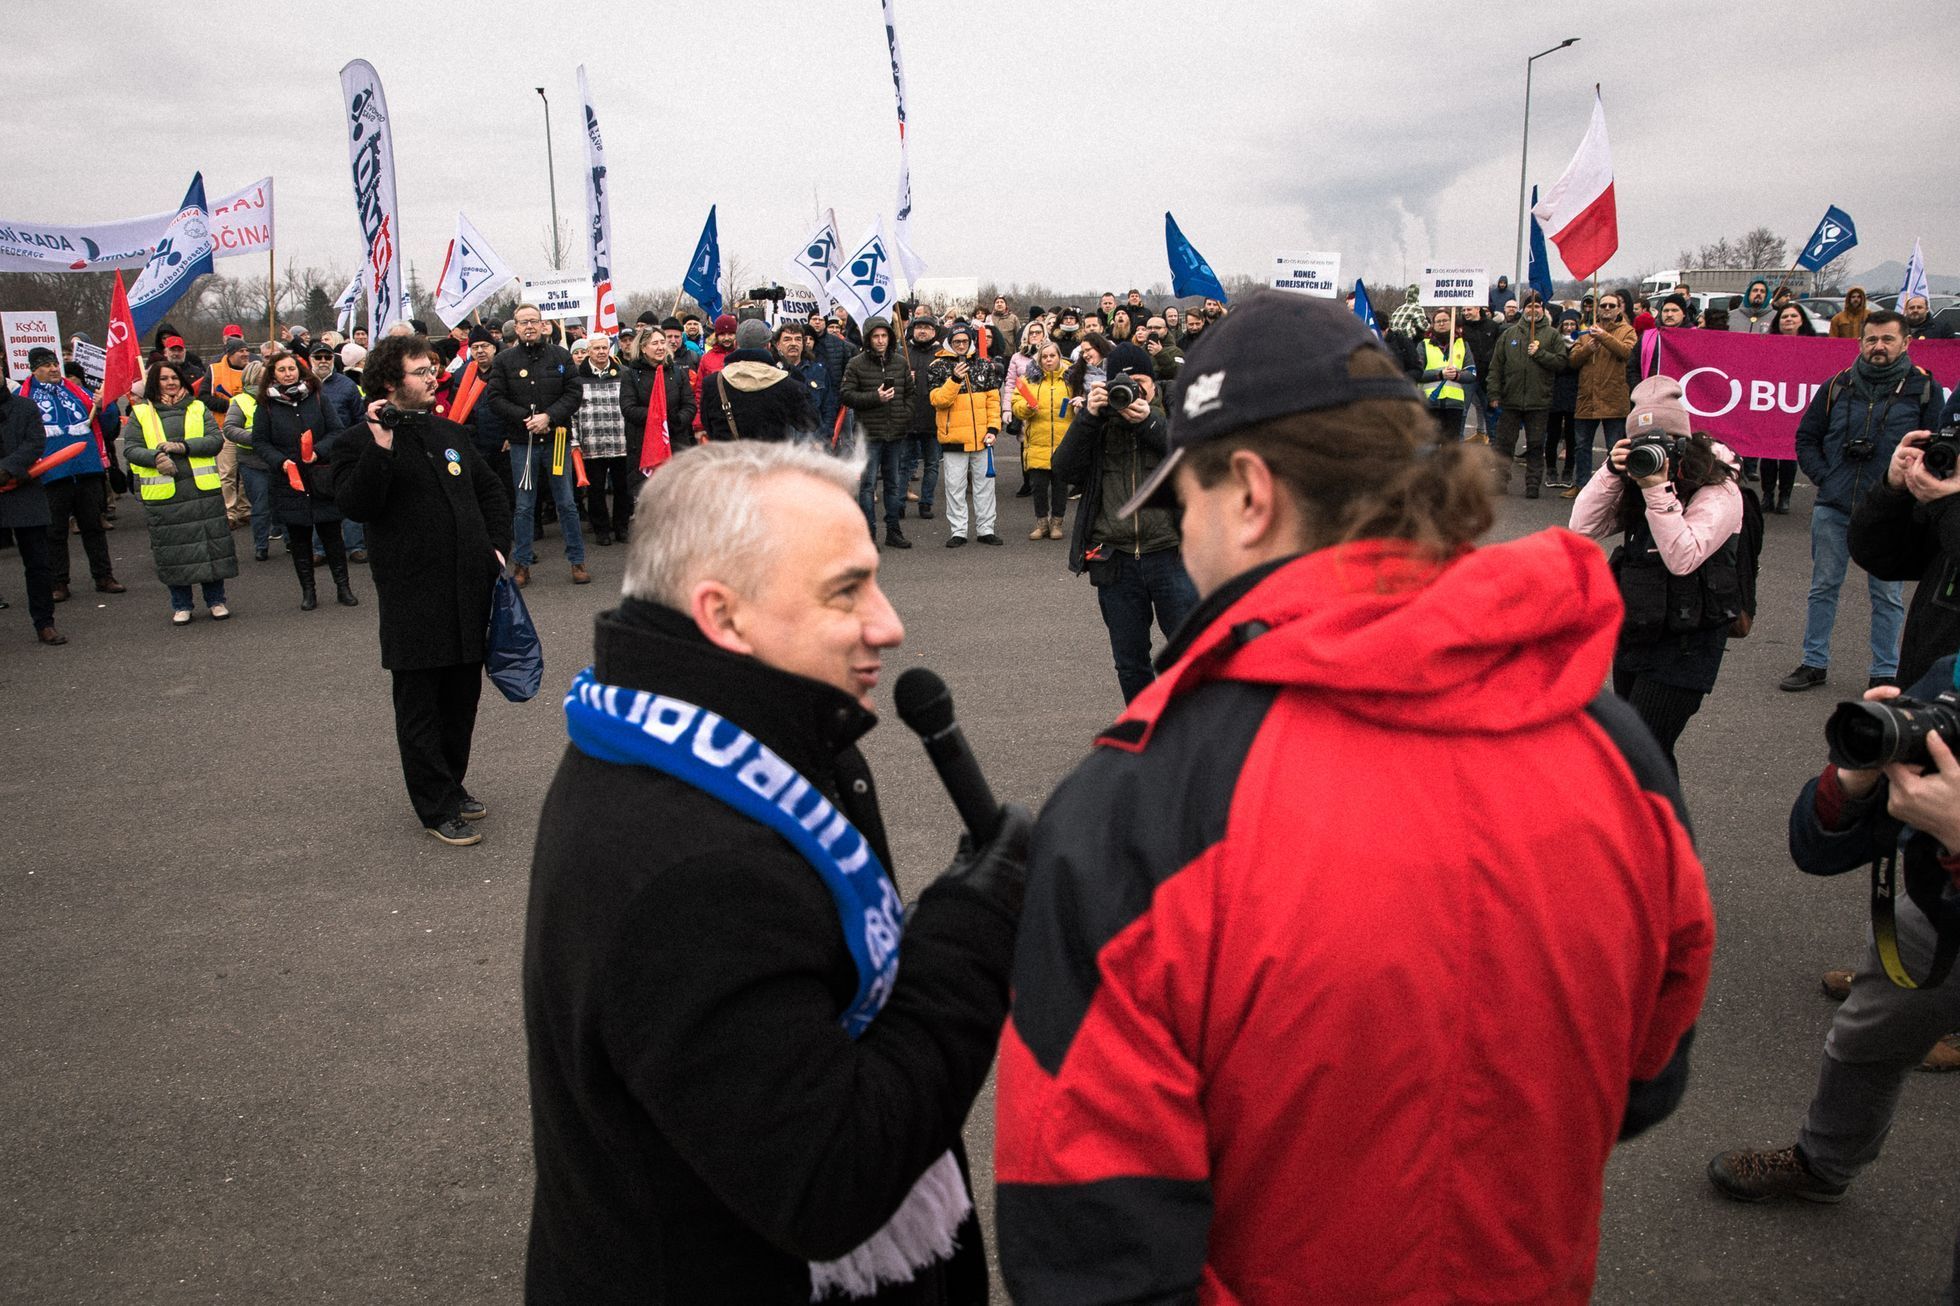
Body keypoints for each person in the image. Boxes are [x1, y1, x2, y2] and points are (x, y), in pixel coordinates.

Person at [994, 291, 1713, 1305]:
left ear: (1247, 492)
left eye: (1182, 501)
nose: (1181, 533)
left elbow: (1083, 1236)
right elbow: (1649, 1071)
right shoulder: (1614, 744)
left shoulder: (1142, 798)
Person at [522, 439, 1027, 1304]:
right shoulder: (693, 861)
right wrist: (976, 934)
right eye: (846, 591)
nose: (889, 622)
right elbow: (827, 1176)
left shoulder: (676, 738)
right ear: (723, 616)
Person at [1709, 653, 1960, 1211]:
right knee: (1866, 1039)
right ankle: (1822, 1165)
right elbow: (1816, 849)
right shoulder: (1953, 675)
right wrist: (1857, 774)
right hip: (1939, 910)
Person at [331, 333, 512, 847]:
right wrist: (381, 445)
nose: (433, 376)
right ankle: (434, 806)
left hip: (467, 591)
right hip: (414, 600)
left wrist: (497, 548)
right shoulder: (358, 442)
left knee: (461, 700)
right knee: (421, 707)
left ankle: (452, 786)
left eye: (432, 369)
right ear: (390, 383)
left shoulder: (448, 432)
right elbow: (357, 503)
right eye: (420, 371)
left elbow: (490, 490)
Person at [1570, 378, 1745, 771]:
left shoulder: (1718, 487)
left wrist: (1657, 491)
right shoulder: (1633, 478)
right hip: (1639, 628)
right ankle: (1651, 831)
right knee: (1639, 755)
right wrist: (1611, 471)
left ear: (1684, 442)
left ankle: (1662, 831)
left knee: (1643, 754)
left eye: (1662, 442)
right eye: (1641, 445)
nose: (1652, 454)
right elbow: (1581, 527)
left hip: (1687, 641)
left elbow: (1683, 557)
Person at [1784, 311, 1944, 692]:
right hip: (1834, 506)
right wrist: (1827, 479)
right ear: (1860, 343)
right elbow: (1806, 438)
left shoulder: (1923, 389)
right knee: (1823, 587)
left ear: (1905, 343)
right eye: (1871, 340)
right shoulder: (1837, 385)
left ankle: (1885, 671)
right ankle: (1813, 662)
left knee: (1887, 596)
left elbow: (1937, 447)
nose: (1878, 347)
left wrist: (1910, 489)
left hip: (1892, 510)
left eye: (1888, 340)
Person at [1053, 342, 1197, 702]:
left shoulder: (1174, 412)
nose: (1132, 391)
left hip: (1171, 554)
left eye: (1141, 382)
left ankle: (1187, 729)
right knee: (1130, 661)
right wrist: (1088, 416)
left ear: (1154, 383)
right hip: (1115, 559)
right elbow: (1064, 469)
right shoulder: (1099, 422)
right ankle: (1145, 728)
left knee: (1189, 654)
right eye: (1124, 383)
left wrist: (1148, 421)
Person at [121, 360, 238, 624]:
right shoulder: (141, 412)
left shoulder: (198, 407)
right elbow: (130, 449)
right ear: (154, 383)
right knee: (173, 553)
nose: (171, 382)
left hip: (201, 492)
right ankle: (181, 604)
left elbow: (214, 440)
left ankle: (216, 601)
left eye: (174, 377)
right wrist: (155, 458)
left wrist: (183, 447)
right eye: (163, 379)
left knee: (211, 547)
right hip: (164, 496)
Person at [488, 304, 585, 588]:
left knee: (566, 502)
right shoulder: (504, 360)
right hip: (524, 443)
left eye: (534, 321)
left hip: (556, 440)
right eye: (523, 322)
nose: (529, 326)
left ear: (544, 326)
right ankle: (522, 565)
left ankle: (577, 561)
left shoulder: (561, 356)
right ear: (515, 328)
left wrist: (549, 417)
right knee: (524, 506)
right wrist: (525, 419)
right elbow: (495, 398)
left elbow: (573, 392)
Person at [253, 352, 358, 610]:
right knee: (300, 540)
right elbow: (259, 441)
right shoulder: (266, 405)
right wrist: (280, 461)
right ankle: (308, 591)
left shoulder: (318, 397)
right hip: (288, 479)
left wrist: (318, 451)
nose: (288, 373)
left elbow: (337, 430)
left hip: (320, 476)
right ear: (273, 374)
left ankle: (343, 587)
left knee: (332, 536)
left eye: (292, 368)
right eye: (282, 370)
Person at [20, 348, 122, 602]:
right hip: (51, 474)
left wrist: (104, 406)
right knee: (54, 532)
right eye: (46, 365)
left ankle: (103, 576)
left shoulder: (76, 391)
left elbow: (108, 425)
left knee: (93, 527)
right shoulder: (24, 397)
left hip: (86, 469)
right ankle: (58, 582)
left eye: (55, 363)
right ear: (34, 370)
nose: (54, 368)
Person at [0, 365, 64, 644]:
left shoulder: (24, 407)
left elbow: (35, 442)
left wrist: (7, 469)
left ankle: (44, 622)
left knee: (38, 563)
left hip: (24, 490)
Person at [841, 315, 915, 549]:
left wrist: (904, 414)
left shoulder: (900, 362)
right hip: (869, 434)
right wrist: (876, 397)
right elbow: (846, 395)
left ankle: (893, 530)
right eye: (876, 336)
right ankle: (868, 534)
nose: (881, 340)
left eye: (884, 335)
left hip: (895, 433)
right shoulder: (856, 363)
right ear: (868, 338)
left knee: (893, 484)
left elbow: (911, 394)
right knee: (868, 485)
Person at [1486, 292, 1569, 498]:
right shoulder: (1509, 334)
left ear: (1543, 310)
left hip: (1538, 401)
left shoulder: (1552, 335)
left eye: (1538, 307)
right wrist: (1494, 393)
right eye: (1530, 307)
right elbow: (1496, 366)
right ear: (1524, 310)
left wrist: (1540, 354)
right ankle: (1500, 481)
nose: (1533, 310)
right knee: (1504, 444)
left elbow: (1561, 362)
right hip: (1511, 399)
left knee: (1535, 445)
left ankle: (1532, 484)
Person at [928, 323, 1004, 547]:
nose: (961, 345)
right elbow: (938, 401)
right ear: (949, 343)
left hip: (982, 438)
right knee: (955, 487)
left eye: (964, 341)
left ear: (971, 342)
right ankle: (959, 531)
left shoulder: (983, 365)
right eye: (956, 342)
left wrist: (993, 429)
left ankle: (986, 529)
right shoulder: (937, 367)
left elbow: (993, 401)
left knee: (985, 487)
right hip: (954, 439)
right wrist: (954, 379)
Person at [1564, 288, 1638, 499]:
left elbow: (1627, 353)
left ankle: (1613, 489)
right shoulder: (1587, 331)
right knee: (1581, 446)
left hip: (1614, 398)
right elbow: (1573, 360)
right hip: (1587, 398)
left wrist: (1605, 338)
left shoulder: (1627, 330)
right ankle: (1582, 486)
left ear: (1618, 309)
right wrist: (1589, 348)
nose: (1606, 309)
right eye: (1603, 305)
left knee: (1614, 447)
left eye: (1611, 306)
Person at [700, 319, 815, 443]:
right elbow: (810, 423)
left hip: (729, 459)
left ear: (736, 344)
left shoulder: (713, 383)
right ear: (768, 346)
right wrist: (796, 375)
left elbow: (708, 425)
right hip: (771, 459)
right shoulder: (787, 383)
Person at [572, 332, 633, 547]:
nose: (600, 352)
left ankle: (621, 526)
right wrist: (575, 440)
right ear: (588, 351)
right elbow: (572, 413)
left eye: (604, 348)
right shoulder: (577, 378)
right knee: (596, 489)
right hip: (592, 442)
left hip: (621, 440)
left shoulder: (624, 373)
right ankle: (601, 529)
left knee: (622, 487)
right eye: (596, 348)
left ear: (610, 349)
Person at [1010, 340, 1072, 540]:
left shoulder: (1071, 380)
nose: (1048, 360)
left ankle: (1057, 523)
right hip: (1037, 441)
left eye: (1052, 356)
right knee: (1038, 487)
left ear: (1059, 356)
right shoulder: (1029, 380)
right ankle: (1041, 523)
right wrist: (1026, 409)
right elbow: (1016, 404)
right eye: (1044, 357)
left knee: (1060, 487)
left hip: (1064, 444)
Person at [1761, 303, 1816, 513]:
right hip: (1769, 402)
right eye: (1785, 316)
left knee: (1787, 453)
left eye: (1794, 316)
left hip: (1796, 404)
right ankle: (1767, 494)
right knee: (1766, 452)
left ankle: (1785, 496)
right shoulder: (1766, 344)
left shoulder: (1813, 346)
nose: (1789, 319)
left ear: (1802, 320)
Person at [222, 359, 278, 561]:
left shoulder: (278, 396)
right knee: (261, 505)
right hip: (253, 461)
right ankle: (261, 545)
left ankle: (289, 541)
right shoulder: (240, 401)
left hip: (277, 459)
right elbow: (230, 429)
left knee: (284, 502)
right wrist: (257, 438)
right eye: (263, 376)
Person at [208, 332, 255, 529]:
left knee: (245, 474)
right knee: (227, 473)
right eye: (241, 351)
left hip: (248, 432)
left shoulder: (253, 370)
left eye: (246, 350)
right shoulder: (214, 370)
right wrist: (229, 406)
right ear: (230, 353)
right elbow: (203, 396)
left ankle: (245, 510)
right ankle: (229, 512)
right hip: (224, 430)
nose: (245, 354)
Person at [901, 315, 942, 520]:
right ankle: (898, 502)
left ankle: (926, 503)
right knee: (904, 464)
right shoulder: (903, 353)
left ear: (934, 332)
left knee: (932, 464)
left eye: (927, 328)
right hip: (907, 418)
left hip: (933, 418)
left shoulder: (941, 355)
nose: (922, 331)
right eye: (919, 328)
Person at [1416, 309, 1471, 442]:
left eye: (1445, 321)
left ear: (1452, 323)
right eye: (1438, 321)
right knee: (1430, 444)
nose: (1441, 324)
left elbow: (1472, 373)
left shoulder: (1462, 345)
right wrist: (1440, 374)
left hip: (1454, 404)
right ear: (1433, 324)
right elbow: (1417, 373)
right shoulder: (1423, 345)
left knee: (1451, 448)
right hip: (1430, 402)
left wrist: (1457, 376)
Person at [1544, 307, 1584, 488]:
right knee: (1551, 435)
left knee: (1571, 437)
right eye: (1566, 324)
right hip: (1554, 393)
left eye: (1572, 324)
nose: (1569, 327)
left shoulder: (1583, 342)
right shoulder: (1553, 342)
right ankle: (1551, 470)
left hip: (1575, 394)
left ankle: (1568, 471)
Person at [772, 322, 832, 435]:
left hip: (811, 443)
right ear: (778, 345)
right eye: (787, 339)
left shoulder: (818, 372)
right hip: (780, 444)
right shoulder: (771, 372)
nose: (793, 343)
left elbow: (828, 408)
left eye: (798, 339)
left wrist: (823, 439)